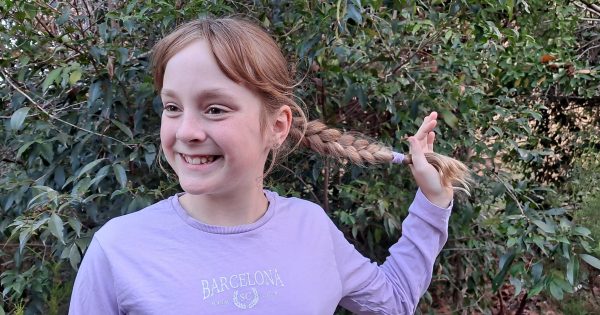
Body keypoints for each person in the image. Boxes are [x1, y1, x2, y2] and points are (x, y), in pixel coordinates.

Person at [68, 17, 470, 315]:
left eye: (215, 109)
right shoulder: (119, 250)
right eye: (172, 107)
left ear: (277, 127)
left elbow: (394, 300)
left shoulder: (310, 228)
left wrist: (433, 203)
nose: (186, 130)